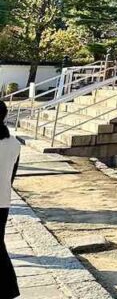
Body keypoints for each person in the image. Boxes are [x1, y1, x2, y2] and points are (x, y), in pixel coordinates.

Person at [0, 101, 22, 298]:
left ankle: (8, 288)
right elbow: (11, 177)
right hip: (2, 201)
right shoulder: (15, 144)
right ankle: (8, 288)